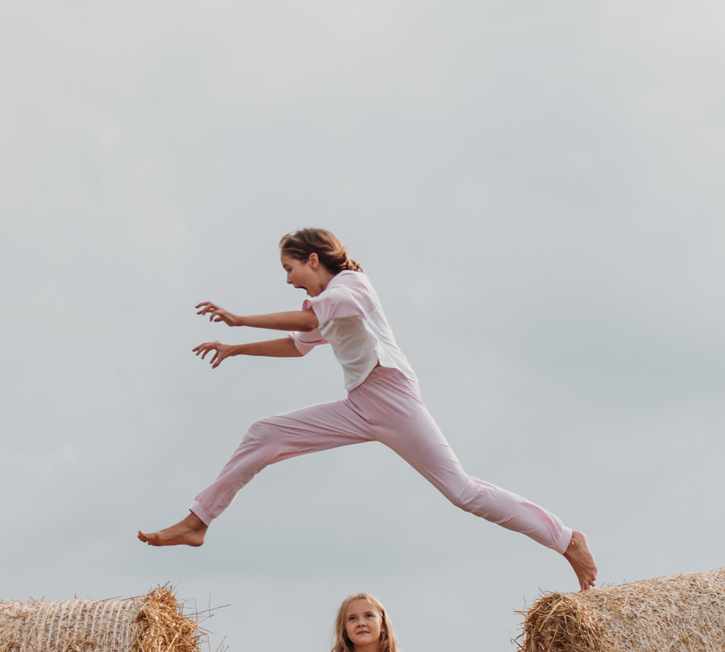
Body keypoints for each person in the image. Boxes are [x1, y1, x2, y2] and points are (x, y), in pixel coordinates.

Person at [137, 227, 597, 590]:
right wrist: (235, 348)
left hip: (392, 398)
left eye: (289, 268)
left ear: (312, 260)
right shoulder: (326, 304)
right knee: (265, 433)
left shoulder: (352, 287)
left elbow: (310, 319)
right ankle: (198, 521)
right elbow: (299, 344)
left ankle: (565, 538)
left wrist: (240, 319)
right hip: (359, 404)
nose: (288, 279)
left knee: (462, 492)